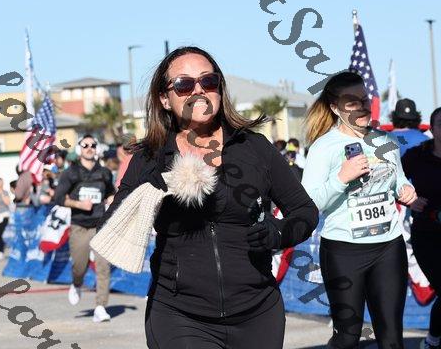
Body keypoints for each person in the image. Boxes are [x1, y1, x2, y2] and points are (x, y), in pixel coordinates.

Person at [99, 46, 319, 348]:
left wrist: (279, 233)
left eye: (208, 80)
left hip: (258, 311)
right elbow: (110, 226)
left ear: (219, 88)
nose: (198, 90)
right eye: (184, 84)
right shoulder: (150, 158)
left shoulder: (254, 147)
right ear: (165, 98)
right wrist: (144, 196)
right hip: (179, 315)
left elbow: (305, 211)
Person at [302, 71, 417, 349]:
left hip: (388, 247)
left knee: (392, 339)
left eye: (364, 100)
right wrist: (341, 178)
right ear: (335, 108)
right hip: (343, 251)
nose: (362, 107)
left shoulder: (385, 141)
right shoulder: (323, 147)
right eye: (352, 102)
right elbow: (308, 203)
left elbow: (398, 179)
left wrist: (405, 189)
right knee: (347, 338)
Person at [54, 134, 116, 323]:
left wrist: (112, 200)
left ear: (97, 148)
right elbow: (58, 198)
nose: (89, 148)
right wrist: (79, 204)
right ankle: (77, 283)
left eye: (93, 145)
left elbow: (110, 193)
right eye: (85, 145)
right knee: (79, 266)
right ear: (79, 149)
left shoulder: (104, 172)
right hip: (79, 226)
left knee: (103, 267)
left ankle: (100, 307)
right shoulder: (70, 173)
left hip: (100, 226)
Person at [402, 107, 441, 349]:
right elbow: (390, 180)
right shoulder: (417, 156)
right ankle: (432, 341)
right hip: (427, 237)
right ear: (432, 129)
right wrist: (408, 199)